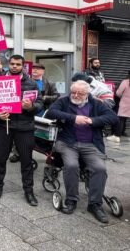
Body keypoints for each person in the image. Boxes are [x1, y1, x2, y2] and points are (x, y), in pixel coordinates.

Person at [46, 80, 118, 223]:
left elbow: (113, 118)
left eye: (80, 93)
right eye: (74, 92)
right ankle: (71, 200)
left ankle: (95, 204)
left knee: (100, 168)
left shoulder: (96, 104)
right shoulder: (64, 101)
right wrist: (74, 118)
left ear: (87, 93)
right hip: (68, 143)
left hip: (91, 144)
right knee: (71, 166)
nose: (76, 95)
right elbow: (50, 112)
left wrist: (92, 121)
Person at [0, 54, 43, 206]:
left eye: (18, 64)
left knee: (26, 160)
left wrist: (31, 107)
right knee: (0, 158)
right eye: (12, 64)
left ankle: (29, 191)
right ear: (9, 64)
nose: (14, 66)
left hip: (25, 127)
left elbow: (39, 103)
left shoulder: (32, 83)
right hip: (4, 125)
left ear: (22, 66)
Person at [10, 61, 60, 163]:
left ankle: (39, 153)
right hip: (23, 113)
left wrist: (44, 98)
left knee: (37, 136)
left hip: (41, 113)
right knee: (20, 134)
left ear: (43, 71)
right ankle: (17, 153)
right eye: (33, 69)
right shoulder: (24, 80)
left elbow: (56, 96)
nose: (35, 71)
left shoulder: (49, 83)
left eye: (38, 69)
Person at [113, 71, 130, 143]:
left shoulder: (125, 82)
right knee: (124, 118)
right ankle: (122, 133)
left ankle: (117, 136)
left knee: (121, 119)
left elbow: (118, 93)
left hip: (125, 103)